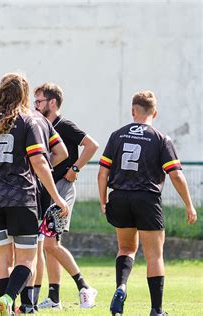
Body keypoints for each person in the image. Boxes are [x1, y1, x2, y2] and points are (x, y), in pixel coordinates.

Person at [0, 73, 69, 316]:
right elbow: (39, 161)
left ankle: (11, 307)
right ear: (24, 96)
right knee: (27, 259)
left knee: (2, 260)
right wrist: (57, 198)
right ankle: (10, 299)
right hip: (21, 198)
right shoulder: (27, 121)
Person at [97, 90, 197, 316]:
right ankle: (156, 310)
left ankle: (121, 287)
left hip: (120, 197)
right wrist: (189, 205)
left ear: (133, 111)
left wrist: (103, 201)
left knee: (125, 248)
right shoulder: (161, 138)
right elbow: (176, 175)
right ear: (155, 112)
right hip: (146, 199)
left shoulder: (117, 135)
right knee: (155, 255)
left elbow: (102, 174)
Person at [34, 83, 99, 310]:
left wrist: (76, 168)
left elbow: (92, 145)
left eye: (39, 101)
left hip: (62, 187)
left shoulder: (65, 125)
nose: (35, 105)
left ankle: (84, 286)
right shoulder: (39, 125)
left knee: (50, 243)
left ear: (52, 103)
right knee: (49, 245)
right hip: (47, 188)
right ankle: (54, 298)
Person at [17, 106, 69, 313]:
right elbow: (62, 153)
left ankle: (26, 302)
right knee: (35, 249)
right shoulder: (43, 121)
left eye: (40, 100)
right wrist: (43, 170)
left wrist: (35, 170)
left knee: (22, 252)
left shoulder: (21, 121)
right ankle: (32, 302)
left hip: (23, 190)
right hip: (39, 188)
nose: (37, 104)